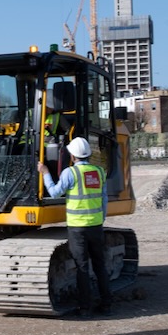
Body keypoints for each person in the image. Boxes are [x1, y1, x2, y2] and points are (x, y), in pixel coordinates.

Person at [37, 136, 111, 317]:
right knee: (100, 266)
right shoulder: (99, 172)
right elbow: (104, 199)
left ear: (72, 156)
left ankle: (85, 308)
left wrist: (45, 172)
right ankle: (107, 305)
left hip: (78, 228)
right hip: (96, 225)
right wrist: (100, 218)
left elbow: (54, 192)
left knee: (82, 267)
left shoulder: (71, 173)